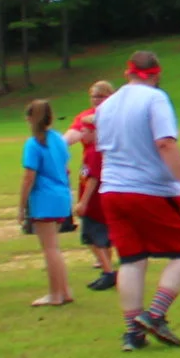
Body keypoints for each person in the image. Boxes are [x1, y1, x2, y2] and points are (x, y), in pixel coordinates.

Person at [95, 50, 180, 350]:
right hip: (149, 189)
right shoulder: (155, 98)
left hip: (112, 190)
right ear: (156, 74)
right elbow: (165, 142)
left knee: (131, 259)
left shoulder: (108, 104)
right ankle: (155, 314)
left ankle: (133, 333)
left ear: (127, 73)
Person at [18, 99, 76, 308]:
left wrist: (22, 205)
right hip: (61, 195)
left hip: (44, 198)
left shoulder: (33, 143)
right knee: (55, 247)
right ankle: (65, 290)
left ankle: (55, 294)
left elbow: (28, 177)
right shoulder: (59, 139)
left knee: (50, 248)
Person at [69, 80, 119, 293]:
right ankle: (107, 269)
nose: (83, 134)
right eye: (94, 97)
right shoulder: (89, 148)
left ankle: (109, 272)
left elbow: (94, 178)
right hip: (91, 189)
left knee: (94, 234)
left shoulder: (96, 150)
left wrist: (82, 201)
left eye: (101, 96)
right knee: (99, 235)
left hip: (97, 196)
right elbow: (71, 136)